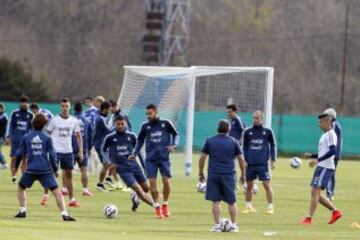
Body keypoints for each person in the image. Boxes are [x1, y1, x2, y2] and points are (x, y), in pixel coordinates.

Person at [14, 114, 76, 221]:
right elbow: (52, 155)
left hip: (31, 169)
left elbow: (19, 153)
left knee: (20, 188)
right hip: (45, 170)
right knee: (56, 191)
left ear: (33, 123)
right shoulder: (47, 138)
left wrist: (16, 166)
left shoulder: (26, 137)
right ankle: (64, 214)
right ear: (44, 125)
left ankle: (22, 211)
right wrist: (55, 169)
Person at [130, 104, 179, 218]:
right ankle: (157, 207)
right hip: (150, 159)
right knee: (152, 184)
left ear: (156, 112)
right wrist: (134, 153)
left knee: (166, 181)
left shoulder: (166, 123)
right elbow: (139, 141)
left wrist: (174, 146)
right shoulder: (145, 126)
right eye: (146, 114)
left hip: (163, 158)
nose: (148, 116)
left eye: (150, 113)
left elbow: (176, 135)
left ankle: (165, 204)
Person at [198, 119, 246, 232]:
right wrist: (243, 174)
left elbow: (202, 158)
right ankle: (233, 225)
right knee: (231, 201)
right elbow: (241, 159)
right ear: (229, 129)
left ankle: (218, 225)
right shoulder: (234, 141)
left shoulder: (210, 140)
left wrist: (200, 172)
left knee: (216, 201)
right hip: (229, 174)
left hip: (213, 174)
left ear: (217, 129)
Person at [102, 115, 156, 213]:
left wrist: (144, 166)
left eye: (122, 124)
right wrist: (109, 161)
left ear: (125, 123)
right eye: (118, 124)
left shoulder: (131, 136)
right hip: (123, 170)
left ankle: (135, 197)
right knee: (138, 189)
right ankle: (156, 206)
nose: (120, 126)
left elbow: (138, 151)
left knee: (146, 188)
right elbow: (103, 150)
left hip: (135, 166)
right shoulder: (110, 138)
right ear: (115, 124)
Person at [302, 113, 343, 225]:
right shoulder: (324, 135)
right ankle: (335, 212)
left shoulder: (330, 134)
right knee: (315, 193)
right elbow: (323, 152)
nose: (319, 125)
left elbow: (332, 151)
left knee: (315, 192)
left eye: (321, 122)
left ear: (327, 122)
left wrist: (318, 160)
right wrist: (311, 155)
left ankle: (308, 219)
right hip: (321, 167)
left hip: (326, 167)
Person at [45, 98, 83, 208]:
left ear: (69, 107)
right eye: (63, 106)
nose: (65, 108)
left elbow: (79, 135)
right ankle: (46, 196)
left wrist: (80, 151)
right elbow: (47, 134)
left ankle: (72, 200)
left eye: (67, 106)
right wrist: (47, 148)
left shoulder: (74, 120)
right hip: (55, 151)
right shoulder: (54, 120)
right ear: (60, 107)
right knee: (50, 173)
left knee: (69, 175)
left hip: (68, 151)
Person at [242, 110, 277, 215]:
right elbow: (244, 147)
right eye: (253, 117)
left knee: (266, 184)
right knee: (249, 185)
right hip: (250, 164)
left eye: (257, 118)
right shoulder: (247, 131)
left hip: (263, 164)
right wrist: (245, 159)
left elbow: (273, 145)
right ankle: (249, 207)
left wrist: (273, 159)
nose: (255, 120)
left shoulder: (267, 131)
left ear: (261, 118)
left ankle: (270, 207)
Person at [94, 102, 123, 191]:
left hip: (104, 144)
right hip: (100, 146)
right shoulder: (100, 119)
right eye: (108, 109)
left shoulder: (103, 116)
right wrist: (117, 125)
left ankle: (107, 179)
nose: (110, 111)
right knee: (108, 164)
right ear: (104, 109)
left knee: (109, 164)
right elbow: (108, 130)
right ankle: (101, 183)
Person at [8, 96, 34, 183]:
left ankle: (23, 177)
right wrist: (10, 137)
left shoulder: (30, 115)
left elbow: (32, 128)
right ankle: (13, 175)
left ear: (28, 104)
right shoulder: (14, 113)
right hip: (15, 141)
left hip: (25, 141)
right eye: (23, 102)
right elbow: (11, 126)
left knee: (24, 159)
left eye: (26, 102)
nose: (24, 104)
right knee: (14, 158)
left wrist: (30, 137)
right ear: (20, 103)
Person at [72, 102, 93, 197]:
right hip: (83, 148)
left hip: (71, 148)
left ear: (74, 109)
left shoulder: (70, 119)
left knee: (67, 170)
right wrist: (89, 148)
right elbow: (91, 136)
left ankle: (64, 189)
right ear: (82, 109)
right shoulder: (87, 120)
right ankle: (85, 190)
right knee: (83, 169)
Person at [323, 108, 342, 201]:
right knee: (332, 174)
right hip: (335, 154)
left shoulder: (333, 125)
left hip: (332, 154)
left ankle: (329, 194)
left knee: (329, 173)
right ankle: (330, 193)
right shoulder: (336, 124)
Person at [0, 103, 9, 169]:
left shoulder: (4, 116)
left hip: (1, 136)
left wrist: (6, 137)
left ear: (2, 109)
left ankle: (4, 164)